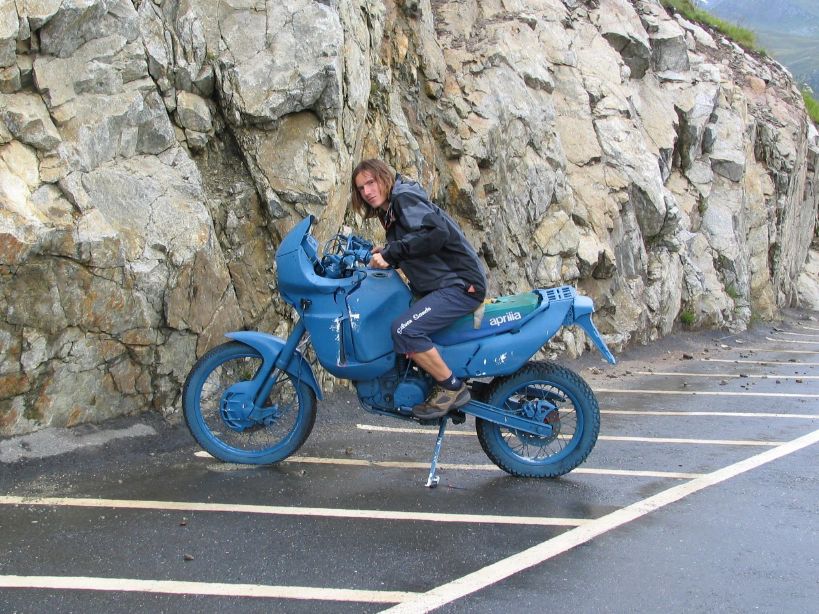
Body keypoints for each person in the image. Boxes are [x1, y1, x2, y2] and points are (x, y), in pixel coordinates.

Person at [350, 159, 487, 419]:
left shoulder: (403, 198)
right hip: (443, 284)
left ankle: (451, 388)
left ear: (384, 177)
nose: (367, 191)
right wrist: (388, 251)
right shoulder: (390, 209)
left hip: (460, 284)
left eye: (371, 182)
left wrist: (392, 253)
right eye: (361, 188)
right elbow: (418, 241)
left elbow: (435, 234)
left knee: (405, 330)